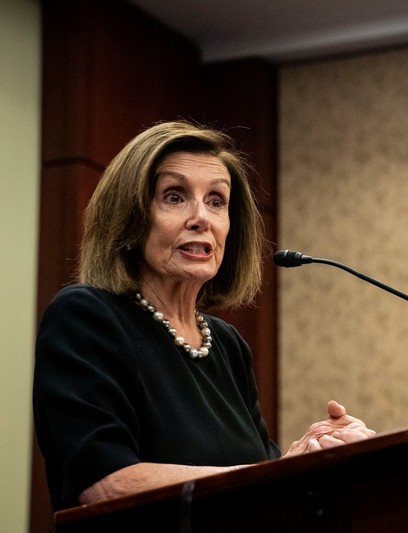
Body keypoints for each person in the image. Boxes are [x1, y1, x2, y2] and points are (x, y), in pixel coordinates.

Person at [33, 121, 375, 511]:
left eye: (216, 201)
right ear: (129, 218)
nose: (202, 218)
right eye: (174, 197)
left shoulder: (227, 345)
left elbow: (257, 484)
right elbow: (108, 484)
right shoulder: (86, 317)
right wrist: (273, 475)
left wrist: (309, 453)